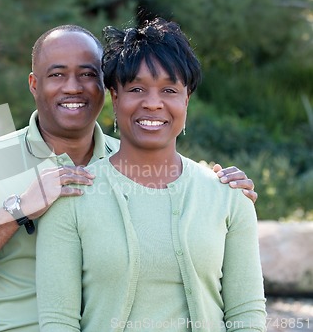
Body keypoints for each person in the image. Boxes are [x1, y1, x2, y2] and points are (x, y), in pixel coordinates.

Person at [0, 24, 258, 332]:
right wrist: (18, 211)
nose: (73, 88)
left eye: (87, 74)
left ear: (106, 87)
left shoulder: (128, 160)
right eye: (57, 75)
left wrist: (221, 196)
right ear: (35, 84)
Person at [36, 18, 266, 332]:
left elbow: (247, 315)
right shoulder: (72, 196)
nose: (153, 104)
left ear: (186, 100)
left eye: (169, 89)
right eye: (137, 89)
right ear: (115, 97)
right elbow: (58, 322)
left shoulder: (229, 196)